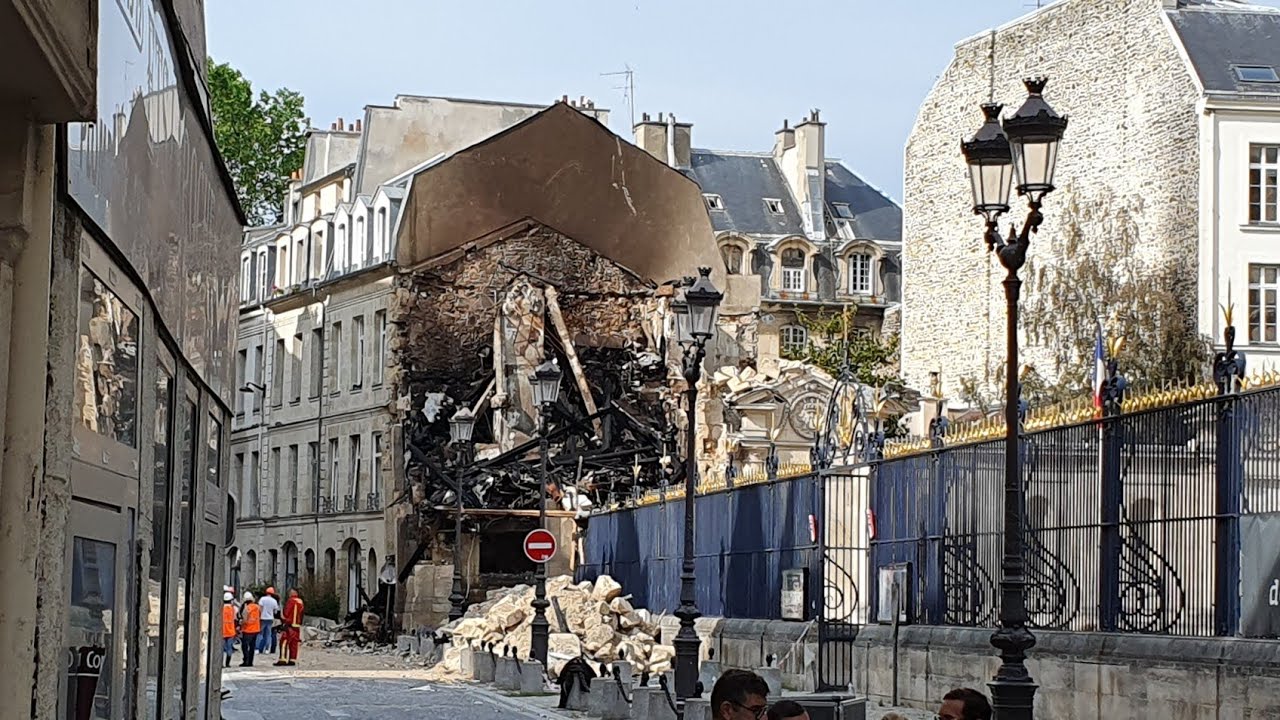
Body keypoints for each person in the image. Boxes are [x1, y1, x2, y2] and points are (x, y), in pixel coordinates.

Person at [275, 587, 305, 667]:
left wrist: (282, 619)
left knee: (284, 641)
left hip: (289, 625)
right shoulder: (300, 601)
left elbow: (286, 613)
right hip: (297, 626)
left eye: (290, 592)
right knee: (294, 643)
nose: (289, 593)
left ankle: (283, 659)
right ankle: (292, 659)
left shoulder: (291, 601)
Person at [238, 591, 262, 667]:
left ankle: (246, 661)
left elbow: (244, 619)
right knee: (252, 646)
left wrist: (241, 624)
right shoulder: (257, 607)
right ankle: (250, 661)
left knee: (245, 646)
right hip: (256, 629)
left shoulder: (247, 608)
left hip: (247, 629)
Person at [257, 587, 280, 655]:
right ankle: (267, 649)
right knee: (268, 634)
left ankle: (258, 648)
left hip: (262, 618)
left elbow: (260, 609)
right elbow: (275, 611)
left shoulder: (262, 599)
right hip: (270, 619)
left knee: (260, 634)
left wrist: (259, 616)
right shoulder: (274, 601)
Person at [221, 592, 238, 668]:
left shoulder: (221, 608)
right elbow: (235, 618)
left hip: (222, 631)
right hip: (230, 631)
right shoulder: (233, 609)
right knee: (229, 648)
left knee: (221, 648)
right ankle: (228, 663)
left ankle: (220, 664)